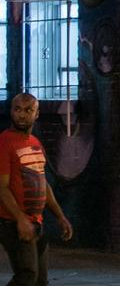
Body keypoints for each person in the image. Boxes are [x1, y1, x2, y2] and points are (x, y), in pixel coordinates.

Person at [0, 94, 73, 286]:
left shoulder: (35, 143)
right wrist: (20, 219)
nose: (22, 115)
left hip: (36, 222)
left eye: (28, 110)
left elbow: (43, 183)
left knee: (40, 280)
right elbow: (2, 188)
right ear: (11, 111)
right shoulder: (4, 142)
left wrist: (60, 216)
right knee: (27, 276)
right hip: (11, 222)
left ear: (37, 114)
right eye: (17, 110)